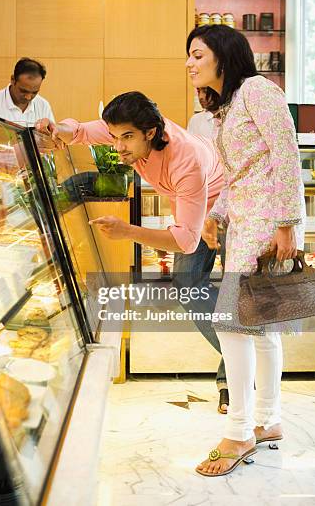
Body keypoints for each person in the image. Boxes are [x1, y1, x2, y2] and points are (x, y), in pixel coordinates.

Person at [35, 92, 230, 411]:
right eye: (114, 137)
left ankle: (236, 371)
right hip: (195, 205)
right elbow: (82, 131)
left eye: (126, 138)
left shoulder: (186, 159)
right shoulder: (130, 131)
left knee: (229, 288)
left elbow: (185, 241)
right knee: (187, 285)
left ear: (150, 132)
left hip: (228, 202)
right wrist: (58, 129)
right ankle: (238, 359)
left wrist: (127, 232)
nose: (118, 146)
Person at [185, 24, 305, 477]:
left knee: (231, 324)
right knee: (260, 328)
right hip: (248, 223)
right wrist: (217, 213)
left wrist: (288, 223)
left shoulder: (258, 89)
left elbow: (285, 154)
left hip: (267, 224)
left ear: (224, 55)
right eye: (189, 55)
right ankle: (268, 419)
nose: (190, 63)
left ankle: (239, 431)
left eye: (198, 54)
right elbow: (244, 171)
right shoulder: (229, 105)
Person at [0, 58, 54, 126]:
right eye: (23, 91)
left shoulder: (43, 105)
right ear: (13, 80)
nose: (28, 97)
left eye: (34, 92)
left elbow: (52, 137)